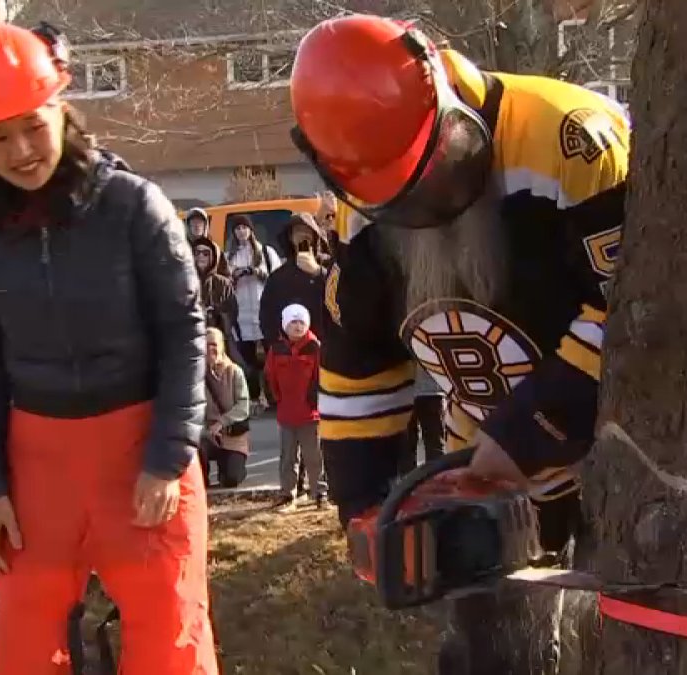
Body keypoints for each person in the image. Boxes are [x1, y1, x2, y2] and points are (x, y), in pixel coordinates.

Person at [291, 14, 629, 674]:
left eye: (436, 170)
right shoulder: (362, 197)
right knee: (489, 657)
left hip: (616, 460)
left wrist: (525, 435)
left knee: (624, 647)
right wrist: (362, 505)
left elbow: (630, 316)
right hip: (481, 476)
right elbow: (360, 367)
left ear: (448, 92)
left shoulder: (573, 142)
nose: (428, 205)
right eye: (399, 199)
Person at [0, 20, 217, 675]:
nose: (21, 149)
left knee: (170, 632)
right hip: (35, 458)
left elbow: (184, 333)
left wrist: (169, 455)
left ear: (62, 109)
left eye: (33, 125)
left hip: (141, 443)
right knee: (27, 637)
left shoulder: (134, 206)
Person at [265, 304, 326, 511]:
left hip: (310, 413)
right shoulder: (276, 349)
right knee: (288, 457)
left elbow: (322, 376)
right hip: (286, 413)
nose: (298, 326)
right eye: (293, 322)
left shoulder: (315, 347)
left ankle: (320, 493)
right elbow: (269, 376)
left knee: (314, 456)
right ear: (285, 325)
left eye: (301, 322)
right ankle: (287, 495)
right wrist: (276, 398)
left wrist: (316, 399)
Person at [226, 215, 280, 408]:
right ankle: (255, 397)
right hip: (242, 315)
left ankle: (275, 396)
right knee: (247, 360)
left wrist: (258, 273)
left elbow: (276, 279)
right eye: (237, 228)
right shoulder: (229, 256)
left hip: (263, 311)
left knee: (272, 356)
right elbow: (224, 284)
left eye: (244, 228)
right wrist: (235, 275)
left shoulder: (265, 252)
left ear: (251, 230)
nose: (241, 232)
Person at [258, 212, 329, 347]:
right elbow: (267, 314)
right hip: (291, 352)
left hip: (325, 348)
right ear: (290, 237)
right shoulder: (279, 276)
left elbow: (344, 294)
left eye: (307, 230)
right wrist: (277, 342)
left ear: (315, 235)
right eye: (298, 231)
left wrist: (317, 272)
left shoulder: (329, 265)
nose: (303, 235)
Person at [201, 327, 250, 489]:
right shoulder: (195, 375)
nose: (210, 349)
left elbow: (243, 406)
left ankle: (227, 470)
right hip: (206, 436)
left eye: (214, 344)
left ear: (222, 346)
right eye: (206, 345)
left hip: (231, 435)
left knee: (232, 479)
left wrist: (222, 422)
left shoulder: (235, 371)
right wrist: (206, 430)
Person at [192, 236, 239, 343]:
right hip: (191, 340)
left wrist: (214, 314)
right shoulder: (185, 282)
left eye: (205, 253)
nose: (201, 256)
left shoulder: (223, 283)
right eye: (197, 253)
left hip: (217, 339)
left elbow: (232, 313)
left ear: (213, 257)